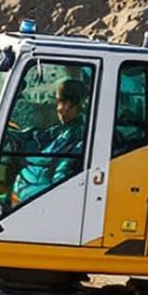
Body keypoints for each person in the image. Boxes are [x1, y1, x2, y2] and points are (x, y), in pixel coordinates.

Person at [7, 73, 90, 211]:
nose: (57, 108)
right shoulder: (67, 128)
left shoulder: (78, 137)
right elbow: (41, 135)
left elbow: (61, 177)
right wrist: (14, 135)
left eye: (58, 102)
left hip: (38, 191)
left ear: (68, 104)